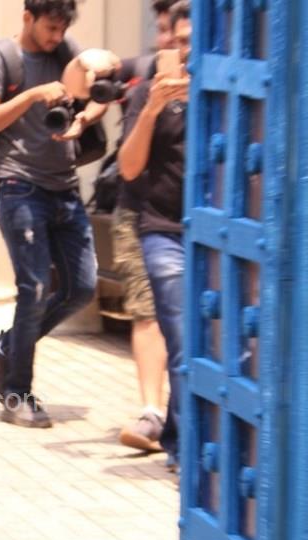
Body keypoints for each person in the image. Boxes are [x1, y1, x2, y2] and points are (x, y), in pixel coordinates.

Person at [0, 0, 107, 428]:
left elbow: (100, 95)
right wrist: (32, 94)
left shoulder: (68, 51)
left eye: (63, 28)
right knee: (33, 288)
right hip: (20, 187)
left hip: (65, 189)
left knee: (81, 287)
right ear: (27, 17)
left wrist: (84, 119)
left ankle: (5, 348)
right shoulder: (2, 58)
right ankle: (17, 392)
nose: (57, 36)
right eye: (50, 27)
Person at [118, 0, 191, 470]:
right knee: (180, 338)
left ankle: (185, 436)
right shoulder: (147, 92)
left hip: (219, 237)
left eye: (193, 42)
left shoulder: (228, 93)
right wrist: (153, 108)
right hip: (164, 232)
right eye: (179, 41)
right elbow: (129, 168)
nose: (185, 50)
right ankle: (183, 451)